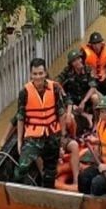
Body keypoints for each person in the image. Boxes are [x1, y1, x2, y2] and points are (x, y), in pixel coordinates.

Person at [14, 58, 67, 189]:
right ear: (31, 75)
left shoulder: (54, 88)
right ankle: (23, 190)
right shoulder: (24, 92)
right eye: (35, 74)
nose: (38, 77)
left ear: (45, 73)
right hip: (33, 137)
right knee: (22, 167)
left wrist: (63, 137)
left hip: (52, 135)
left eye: (40, 73)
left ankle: (46, 191)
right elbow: (20, 117)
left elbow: (61, 113)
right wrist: (20, 141)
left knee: (50, 171)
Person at [56, 49, 99, 136]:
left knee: (95, 97)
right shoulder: (67, 71)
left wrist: (84, 101)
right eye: (74, 60)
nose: (78, 62)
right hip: (73, 101)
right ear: (71, 64)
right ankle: (86, 116)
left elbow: (93, 87)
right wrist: (63, 92)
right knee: (61, 102)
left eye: (79, 59)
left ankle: (96, 122)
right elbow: (56, 82)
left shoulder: (88, 69)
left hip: (87, 100)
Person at [83, 32, 106, 96]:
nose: (96, 46)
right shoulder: (84, 54)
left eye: (98, 43)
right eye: (94, 44)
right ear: (91, 44)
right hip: (92, 80)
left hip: (104, 78)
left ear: (101, 43)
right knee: (92, 93)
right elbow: (79, 67)